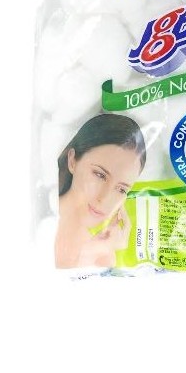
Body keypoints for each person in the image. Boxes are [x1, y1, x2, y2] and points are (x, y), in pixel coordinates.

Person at [55, 113, 146, 268]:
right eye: (100, 175)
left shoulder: (102, 256)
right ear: (72, 160)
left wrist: (93, 251)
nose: (104, 199)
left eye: (121, 189)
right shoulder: (34, 215)